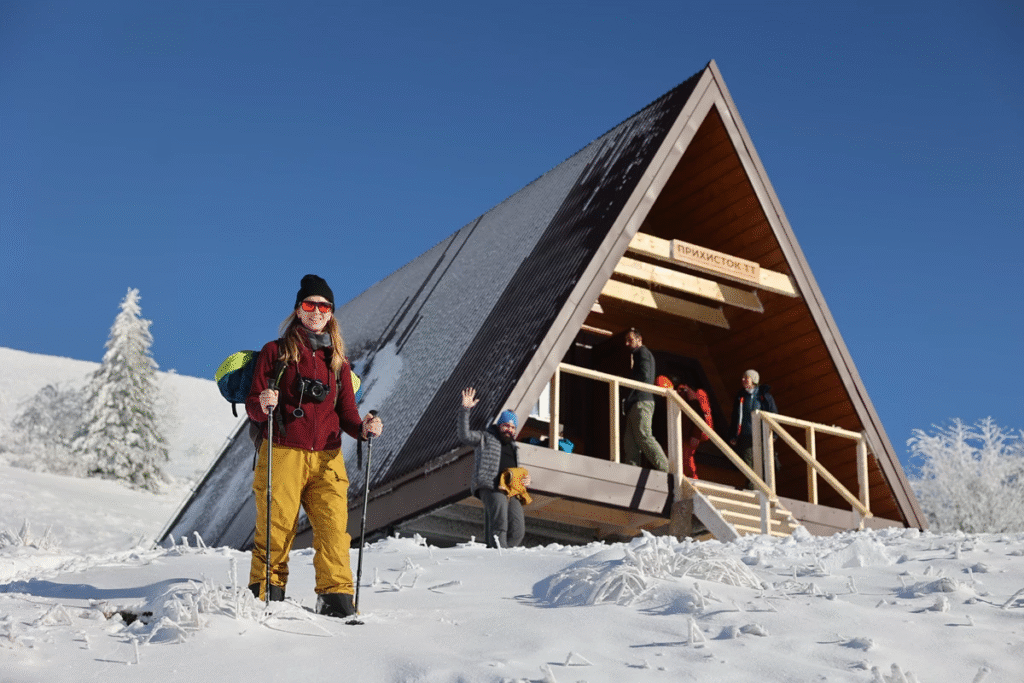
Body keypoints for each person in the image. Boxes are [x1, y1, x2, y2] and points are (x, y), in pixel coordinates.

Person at [246, 274, 382, 618]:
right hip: (283, 451)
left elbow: (348, 414)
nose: (317, 311)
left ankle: (336, 598)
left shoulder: (337, 363)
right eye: (310, 305)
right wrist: (263, 400)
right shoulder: (275, 353)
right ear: (298, 310)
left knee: (335, 530)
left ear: (331, 313)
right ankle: (266, 594)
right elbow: (252, 405)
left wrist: (364, 428)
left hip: (328, 457)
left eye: (324, 306)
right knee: (276, 527)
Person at [459, 387, 530, 548]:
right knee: (500, 524)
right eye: (506, 425)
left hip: (511, 489)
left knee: (518, 530)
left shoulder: (513, 447)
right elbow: (465, 436)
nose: (509, 429)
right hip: (491, 486)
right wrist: (465, 410)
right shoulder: (486, 437)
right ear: (499, 425)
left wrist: (524, 479)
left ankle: (503, 554)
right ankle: (498, 557)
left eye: (513, 427)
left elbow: (514, 470)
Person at [622, 329, 668, 471]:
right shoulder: (639, 354)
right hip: (636, 403)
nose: (627, 343)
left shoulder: (642, 353)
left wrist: (630, 382)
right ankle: (632, 475)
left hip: (642, 401)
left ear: (639, 339)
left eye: (630, 340)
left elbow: (645, 375)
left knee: (643, 436)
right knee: (630, 444)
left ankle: (667, 470)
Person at [728, 369, 778, 479]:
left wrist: (774, 434)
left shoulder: (764, 396)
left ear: (754, 380)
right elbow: (735, 417)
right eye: (743, 377)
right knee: (748, 465)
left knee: (764, 464)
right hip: (746, 435)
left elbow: (773, 415)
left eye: (746, 378)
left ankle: (764, 491)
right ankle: (752, 491)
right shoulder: (741, 396)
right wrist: (733, 435)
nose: (743, 380)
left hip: (762, 436)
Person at [678, 383, 713, 480]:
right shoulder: (692, 395)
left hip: (687, 437)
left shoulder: (693, 396)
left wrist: (695, 436)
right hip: (685, 435)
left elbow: (699, 416)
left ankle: (693, 486)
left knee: (687, 463)